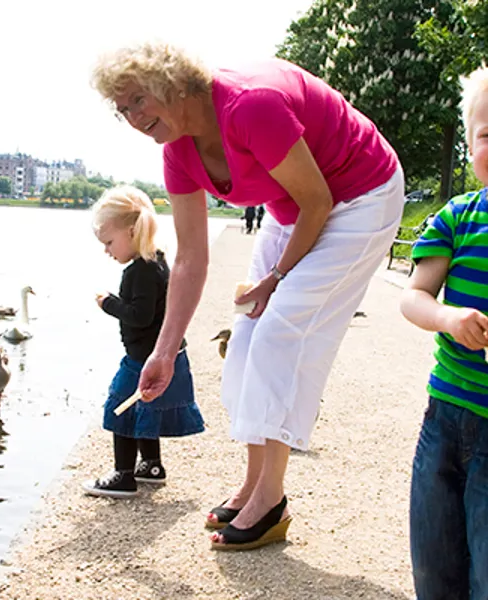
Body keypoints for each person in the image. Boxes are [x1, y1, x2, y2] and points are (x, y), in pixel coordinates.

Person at [91, 43, 404, 550]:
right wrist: (164, 352)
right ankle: (253, 484)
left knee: (280, 332)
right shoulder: (177, 152)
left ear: (172, 83)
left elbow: (319, 200)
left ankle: (271, 500)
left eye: (138, 100)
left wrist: (277, 276)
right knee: (246, 333)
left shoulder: (250, 106)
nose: (132, 117)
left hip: (360, 192)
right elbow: (191, 257)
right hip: (294, 206)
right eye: (121, 109)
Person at [400, 66, 488, 599]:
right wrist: (449, 319)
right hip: (446, 416)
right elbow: (414, 296)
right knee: (435, 562)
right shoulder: (458, 216)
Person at [83, 185, 205, 498]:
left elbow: (140, 315)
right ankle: (151, 464)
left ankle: (123, 475)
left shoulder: (139, 271)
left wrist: (108, 303)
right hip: (162, 353)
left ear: (132, 231)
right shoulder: (158, 261)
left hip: (143, 358)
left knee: (121, 408)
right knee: (144, 406)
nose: (107, 251)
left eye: (109, 242)